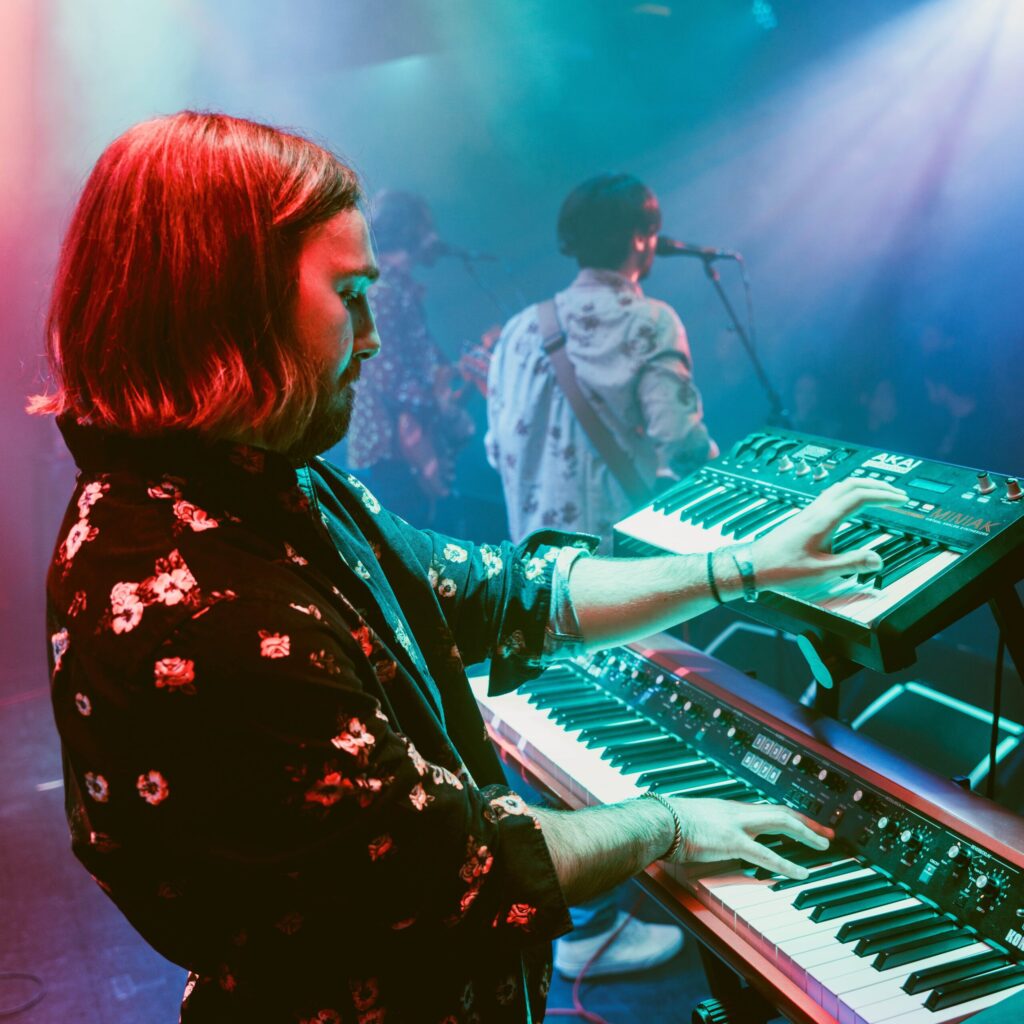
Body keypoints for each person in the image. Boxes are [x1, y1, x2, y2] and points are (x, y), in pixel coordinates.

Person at [33, 112, 904, 1024]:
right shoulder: (195, 597)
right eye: (350, 294)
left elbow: (506, 590)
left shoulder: (264, 483)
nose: (371, 336)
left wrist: (745, 566)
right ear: (231, 296)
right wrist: (671, 823)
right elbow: (457, 861)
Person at [486, 173, 718, 554]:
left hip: (529, 579)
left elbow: (499, 452)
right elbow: (681, 446)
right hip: (614, 578)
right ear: (640, 237)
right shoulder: (649, 321)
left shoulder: (518, 329)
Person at [345, 190, 475, 530]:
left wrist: (455, 377)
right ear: (410, 231)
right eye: (426, 226)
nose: (433, 235)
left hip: (403, 450)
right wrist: (433, 404)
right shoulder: (383, 290)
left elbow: (417, 367)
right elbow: (388, 375)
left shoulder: (399, 290)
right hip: (392, 453)